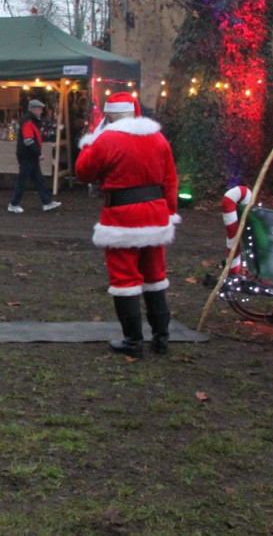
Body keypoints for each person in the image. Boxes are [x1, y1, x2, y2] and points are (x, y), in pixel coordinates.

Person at [74, 92, 179, 358]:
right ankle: (161, 338)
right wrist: (169, 212)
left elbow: (83, 172)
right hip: (155, 214)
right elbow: (170, 181)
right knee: (155, 277)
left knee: (124, 278)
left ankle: (133, 341)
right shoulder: (158, 138)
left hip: (122, 216)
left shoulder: (107, 140)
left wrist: (90, 142)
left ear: (108, 115)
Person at [7, 99, 61, 213]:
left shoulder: (29, 120)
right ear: (33, 109)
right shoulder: (28, 121)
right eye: (39, 109)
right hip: (27, 155)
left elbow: (29, 140)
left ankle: (46, 202)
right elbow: (28, 141)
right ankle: (13, 203)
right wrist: (38, 153)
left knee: (38, 179)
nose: (41, 111)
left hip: (28, 155)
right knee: (25, 179)